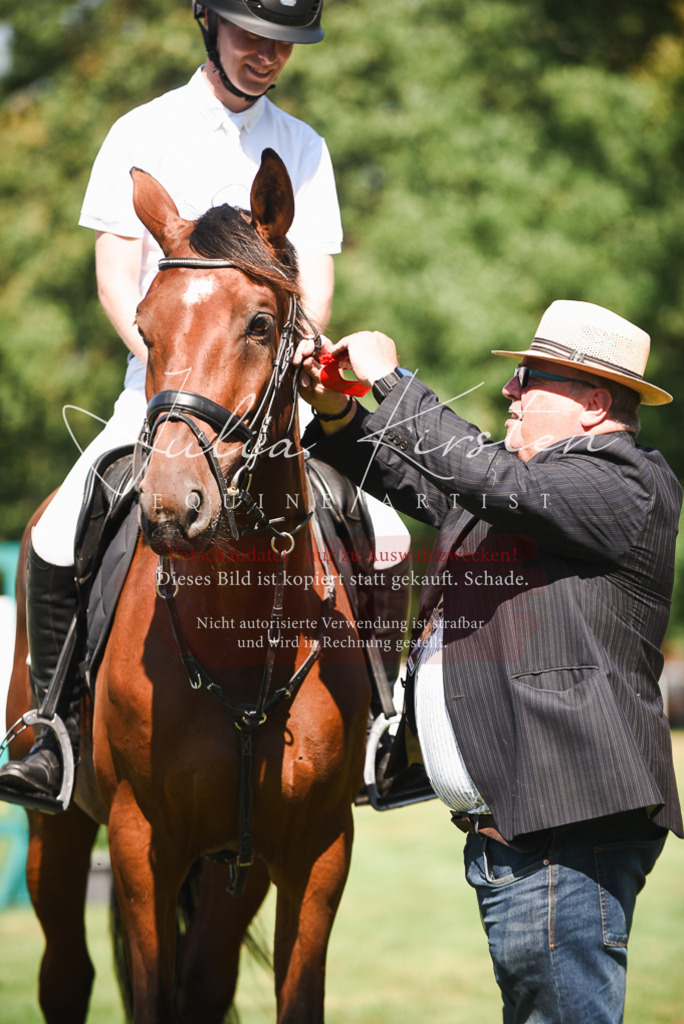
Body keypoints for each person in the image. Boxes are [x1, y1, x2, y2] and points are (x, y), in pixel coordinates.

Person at [0, 0, 407, 804]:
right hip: (160, 393)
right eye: (252, 36)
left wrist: (291, 351)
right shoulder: (142, 132)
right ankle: (47, 728)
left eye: (283, 44)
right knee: (53, 532)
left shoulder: (304, 146)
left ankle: (390, 732)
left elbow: (313, 282)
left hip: (266, 397)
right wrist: (170, 369)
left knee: (387, 530)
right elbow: (118, 275)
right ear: (207, 25)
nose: (268, 55)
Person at [295, 298, 683, 1023]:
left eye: (529, 377)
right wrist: (341, 413)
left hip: (566, 831)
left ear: (594, 405)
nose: (510, 390)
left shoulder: (624, 481)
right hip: (525, 837)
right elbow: (424, 478)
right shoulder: (526, 490)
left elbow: (493, 481)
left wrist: (393, 377)